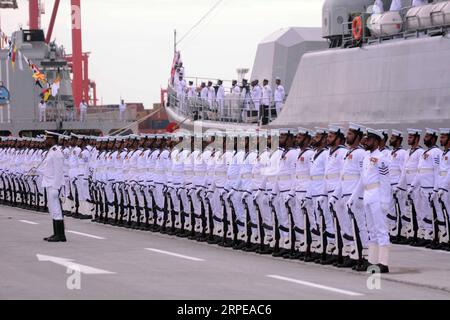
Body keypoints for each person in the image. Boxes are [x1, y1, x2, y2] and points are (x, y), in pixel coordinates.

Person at [348, 128, 392, 273]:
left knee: (381, 229)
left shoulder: (382, 158)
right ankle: (372, 261)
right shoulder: (366, 157)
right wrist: (353, 197)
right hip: (368, 195)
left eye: (369, 139)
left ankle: (383, 262)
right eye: (365, 139)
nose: (365, 142)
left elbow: (385, 181)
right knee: (371, 230)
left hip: (378, 196)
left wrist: (386, 201)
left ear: (376, 141)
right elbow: (362, 180)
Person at [38, 131, 66, 243]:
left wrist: (56, 187)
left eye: (47, 139)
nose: (46, 141)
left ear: (53, 140)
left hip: (53, 185)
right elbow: (48, 169)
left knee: (57, 209)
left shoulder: (56, 153)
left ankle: (60, 235)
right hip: (49, 183)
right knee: (53, 209)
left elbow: (59, 171)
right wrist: (36, 171)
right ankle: (56, 233)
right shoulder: (51, 152)